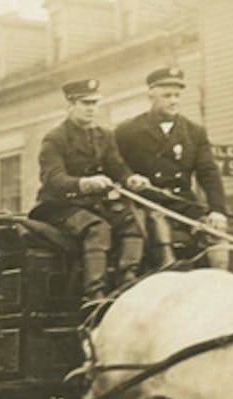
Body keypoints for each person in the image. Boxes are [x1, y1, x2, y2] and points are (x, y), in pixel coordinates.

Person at [32, 78, 151, 302]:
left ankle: (128, 278)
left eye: (95, 103)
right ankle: (94, 292)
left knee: (132, 219)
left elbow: (117, 167)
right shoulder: (55, 139)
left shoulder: (104, 136)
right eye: (85, 103)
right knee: (97, 228)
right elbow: (52, 179)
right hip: (60, 207)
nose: (91, 109)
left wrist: (131, 179)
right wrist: (84, 183)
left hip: (91, 205)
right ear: (70, 105)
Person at [115, 66, 229, 268]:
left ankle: (221, 283)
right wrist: (129, 177)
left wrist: (217, 210)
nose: (174, 101)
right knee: (155, 232)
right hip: (144, 203)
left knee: (215, 233)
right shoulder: (127, 131)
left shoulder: (194, 132)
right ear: (150, 95)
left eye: (177, 95)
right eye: (167, 95)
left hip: (182, 204)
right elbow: (114, 164)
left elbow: (208, 172)